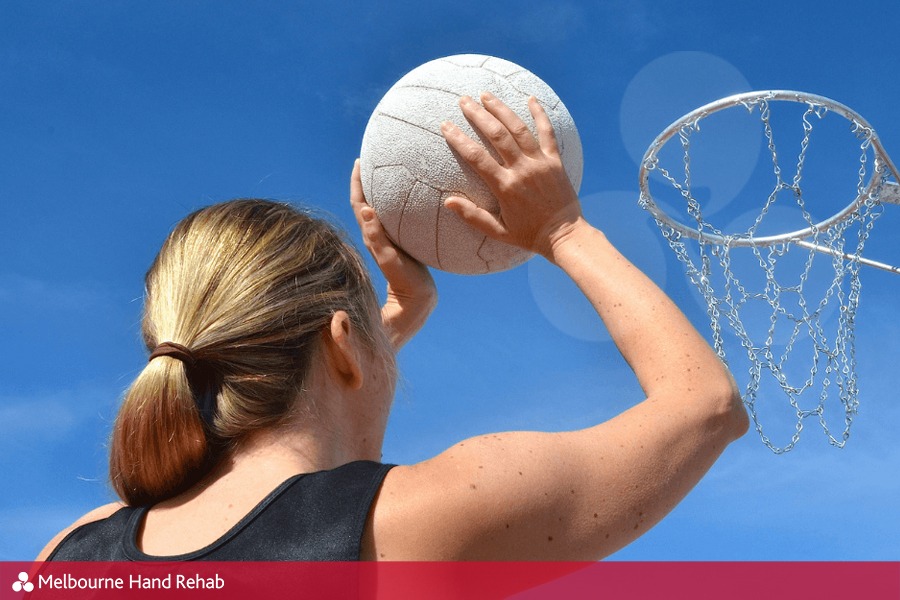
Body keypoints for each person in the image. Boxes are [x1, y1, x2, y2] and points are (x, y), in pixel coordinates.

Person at [38, 93, 747, 562]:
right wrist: (564, 228)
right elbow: (705, 408)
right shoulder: (408, 523)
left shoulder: (73, 551)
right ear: (341, 342)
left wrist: (373, 338)